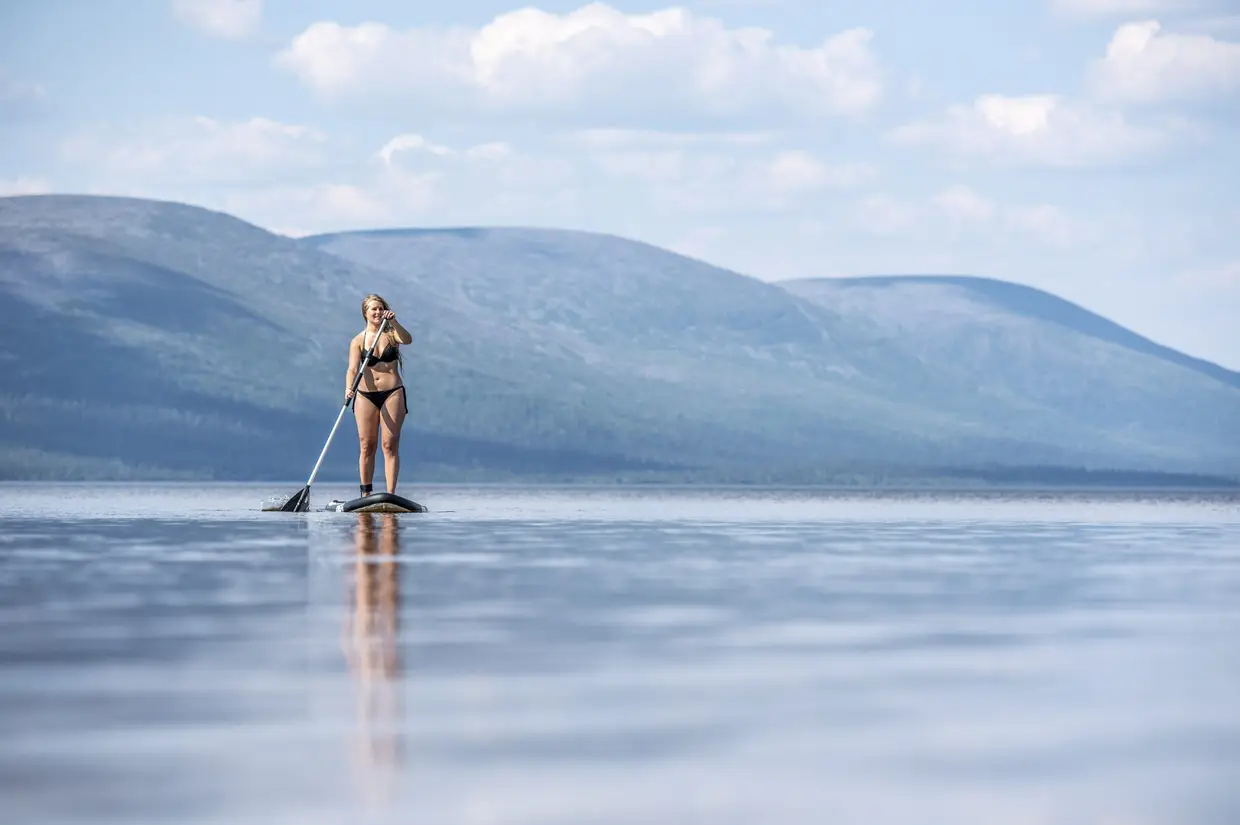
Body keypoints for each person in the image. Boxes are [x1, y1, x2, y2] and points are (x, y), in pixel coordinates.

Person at [345, 294, 413, 497]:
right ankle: (366, 494)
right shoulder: (358, 340)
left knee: (389, 444)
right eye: (373, 309)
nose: (377, 312)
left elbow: (407, 340)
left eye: (380, 308)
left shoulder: (392, 334)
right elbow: (352, 369)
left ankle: (390, 494)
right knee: (367, 445)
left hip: (392, 393)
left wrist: (394, 321)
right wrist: (349, 388)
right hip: (366, 395)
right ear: (365, 313)